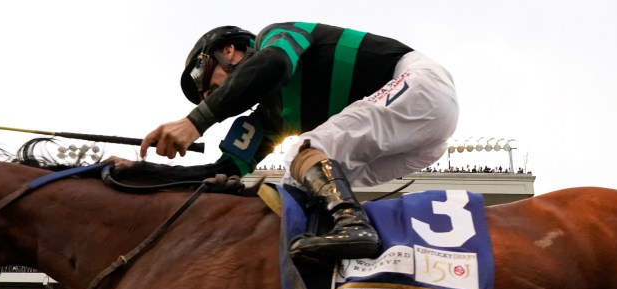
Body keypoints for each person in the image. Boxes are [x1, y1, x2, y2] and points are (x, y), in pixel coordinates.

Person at [135, 23, 458, 262]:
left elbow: (273, 65)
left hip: (421, 84)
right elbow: (224, 171)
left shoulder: (274, 37)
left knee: (304, 150)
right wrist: (140, 173)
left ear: (229, 50)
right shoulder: (271, 117)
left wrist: (196, 120)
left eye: (202, 78)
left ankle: (354, 227)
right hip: (420, 144)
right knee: (296, 184)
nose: (207, 94)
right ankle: (348, 253)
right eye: (202, 96)